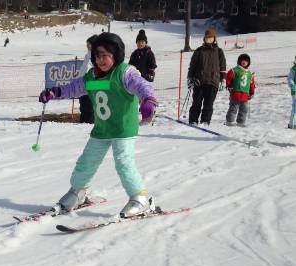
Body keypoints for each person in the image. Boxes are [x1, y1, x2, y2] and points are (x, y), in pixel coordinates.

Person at [38, 33, 158, 218]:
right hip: (102, 129)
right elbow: (75, 88)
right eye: (97, 55)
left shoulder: (124, 73)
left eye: (105, 55)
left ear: (116, 55)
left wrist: (148, 100)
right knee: (86, 162)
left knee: (123, 163)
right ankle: (78, 192)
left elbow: (142, 86)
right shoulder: (92, 77)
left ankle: (140, 198)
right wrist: (55, 92)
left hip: (123, 128)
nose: (100, 60)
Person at [187, 27, 227, 126]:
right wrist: (190, 78)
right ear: (204, 39)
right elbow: (192, 66)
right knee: (196, 102)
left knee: (209, 104)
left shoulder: (219, 51)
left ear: (214, 38)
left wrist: (223, 79)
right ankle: (193, 120)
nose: (208, 39)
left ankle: (205, 121)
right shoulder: (199, 51)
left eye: (211, 37)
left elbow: (223, 67)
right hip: (199, 81)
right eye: (207, 37)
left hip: (213, 81)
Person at [225, 54, 256, 127]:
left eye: (246, 61)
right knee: (233, 108)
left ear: (248, 63)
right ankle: (230, 121)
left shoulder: (249, 73)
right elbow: (229, 78)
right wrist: (229, 86)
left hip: (245, 95)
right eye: (242, 60)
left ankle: (241, 122)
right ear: (239, 61)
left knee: (244, 109)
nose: (244, 62)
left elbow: (251, 83)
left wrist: (252, 92)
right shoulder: (235, 70)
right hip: (236, 93)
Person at [78, 34, 98, 124]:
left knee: (89, 106)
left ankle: (89, 122)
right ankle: (83, 121)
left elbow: (89, 70)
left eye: (89, 44)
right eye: (87, 44)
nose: (87, 46)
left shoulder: (97, 56)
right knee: (83, 106)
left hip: (92, 85)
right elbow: (83, 70)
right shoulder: (88, 55)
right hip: (83, 84)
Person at [288, 55, 296, 129]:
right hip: (295, 91)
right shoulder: (293, 69)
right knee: (295, 107)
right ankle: (292, 123)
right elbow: (290, 78)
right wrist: (292, 85)